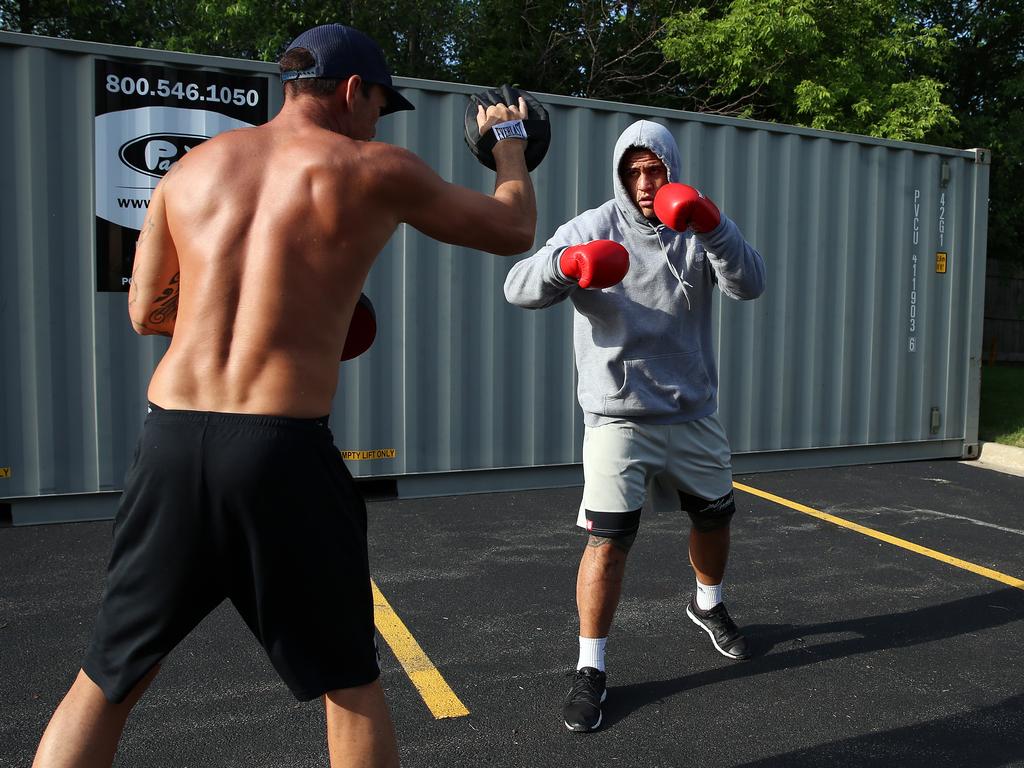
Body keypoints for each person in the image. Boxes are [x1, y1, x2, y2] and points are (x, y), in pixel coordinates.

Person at [32, 23, 536, 768]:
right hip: (278, 451)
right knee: (349, 682)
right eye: (377, 107)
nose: (375, 123)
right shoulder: (373, 167)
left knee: (107, 677)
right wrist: (512, 146)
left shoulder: (189, 171)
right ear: (352, 91)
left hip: (172, 441)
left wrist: (229, 311)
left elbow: (145, 313)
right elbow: (513, 227)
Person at [503, 119, 765, 732]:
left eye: (656, 171)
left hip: (692, 411)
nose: (646, 183)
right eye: (634, 172)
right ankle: (590, 666)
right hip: (618, 416)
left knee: (716, 516)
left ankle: (708, 605)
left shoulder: (697, 225)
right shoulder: (593, 225)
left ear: (670, 170)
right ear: (622, 175)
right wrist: (568, 264)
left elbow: (750, 284)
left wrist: (714, 224)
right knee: (609, 541)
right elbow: (518, 286)